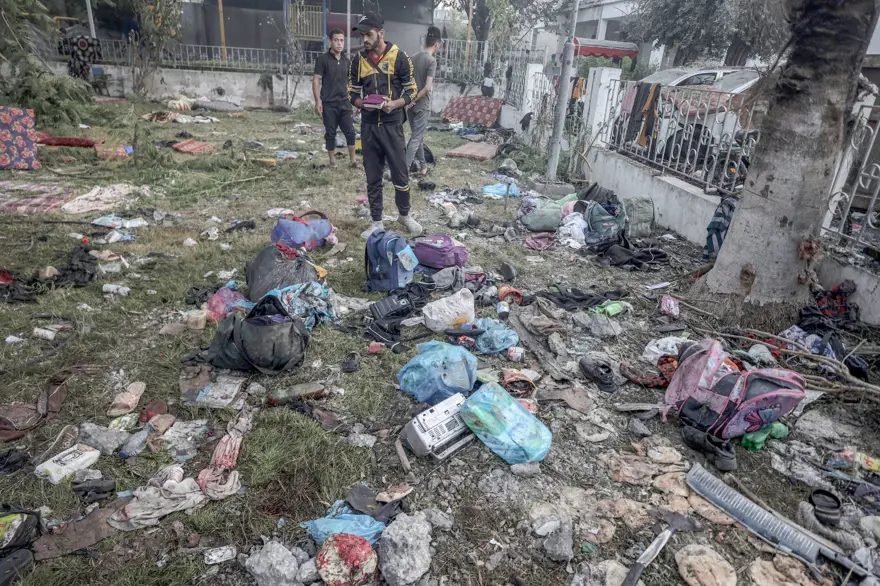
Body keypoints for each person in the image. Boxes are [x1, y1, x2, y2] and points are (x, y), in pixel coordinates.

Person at [349, 12, 423, 238]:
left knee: (400, 174)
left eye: (368, 34)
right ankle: (376, 222)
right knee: (373, 176)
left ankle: (404, 214)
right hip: (369, 127)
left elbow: (412, 91)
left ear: (381, 33)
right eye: (362, 35)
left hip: (392, 126)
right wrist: (362, 103)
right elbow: (351, 92)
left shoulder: (400, 57)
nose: (365, 40)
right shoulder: (358, 60)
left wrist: (395, 104)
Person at [313, 29, 357, 168]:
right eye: (336, 40)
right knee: (330, 133)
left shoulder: (347, 61)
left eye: (342, 40)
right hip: (329, 104)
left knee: (350, 132)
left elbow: (351, 83)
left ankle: (353, 161)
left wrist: (355, 102)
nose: (339, 43)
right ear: (331, 41)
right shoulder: (322, 60)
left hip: (345, 103)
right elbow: (316, 80)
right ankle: (332, 162)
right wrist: (318, 101)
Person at [405, 26, 440, 178]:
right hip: (422, 105)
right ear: (436, 44)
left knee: (417, 137)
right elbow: (427, 88)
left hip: (410, 106)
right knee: (416, 139)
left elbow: (407, 82)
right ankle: (403, 171)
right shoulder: (432, 61)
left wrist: (409, 101)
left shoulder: (412, 57)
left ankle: (423, 167)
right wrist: (414, 100)